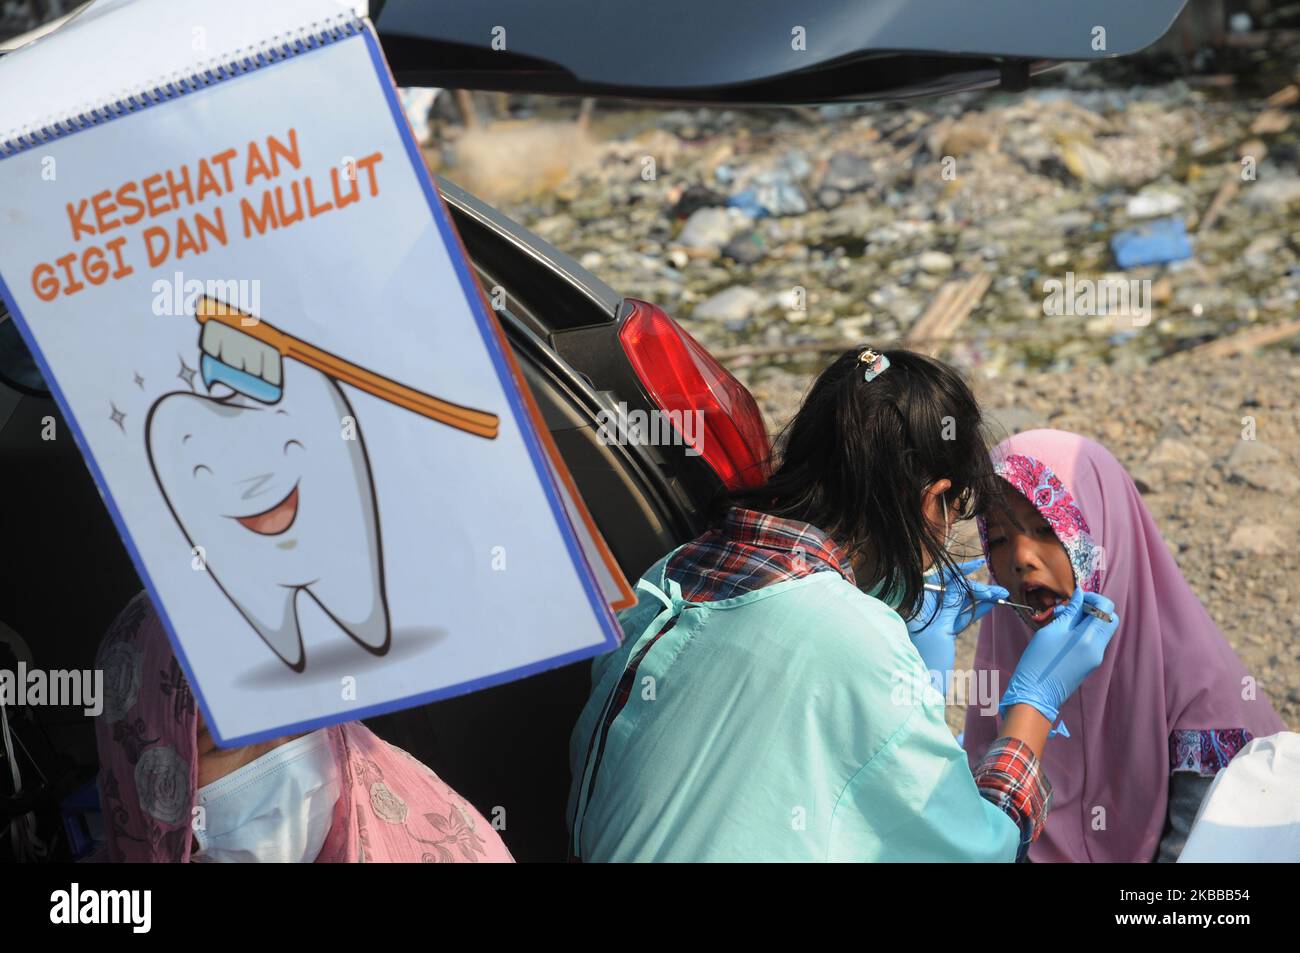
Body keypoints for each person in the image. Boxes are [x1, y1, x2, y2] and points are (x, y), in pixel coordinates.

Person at [566, 347, 1118, 862]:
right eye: (964, 520)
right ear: (931, 502)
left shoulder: (674, 571)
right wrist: (1031, 711)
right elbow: (977, 848)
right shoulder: (854, 640)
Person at [964, 429, 1286, 863]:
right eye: (998, 539)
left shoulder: (1197, 686)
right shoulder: (1003, 664)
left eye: (1046, 528)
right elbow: (974, 836)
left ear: (1104, 533)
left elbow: (1208, 848)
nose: (1021, 557)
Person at [89, 591, 513, 863]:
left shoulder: (449, 848)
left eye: (302, 713)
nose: (290, 766)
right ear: (146, 765)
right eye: (228, 739)